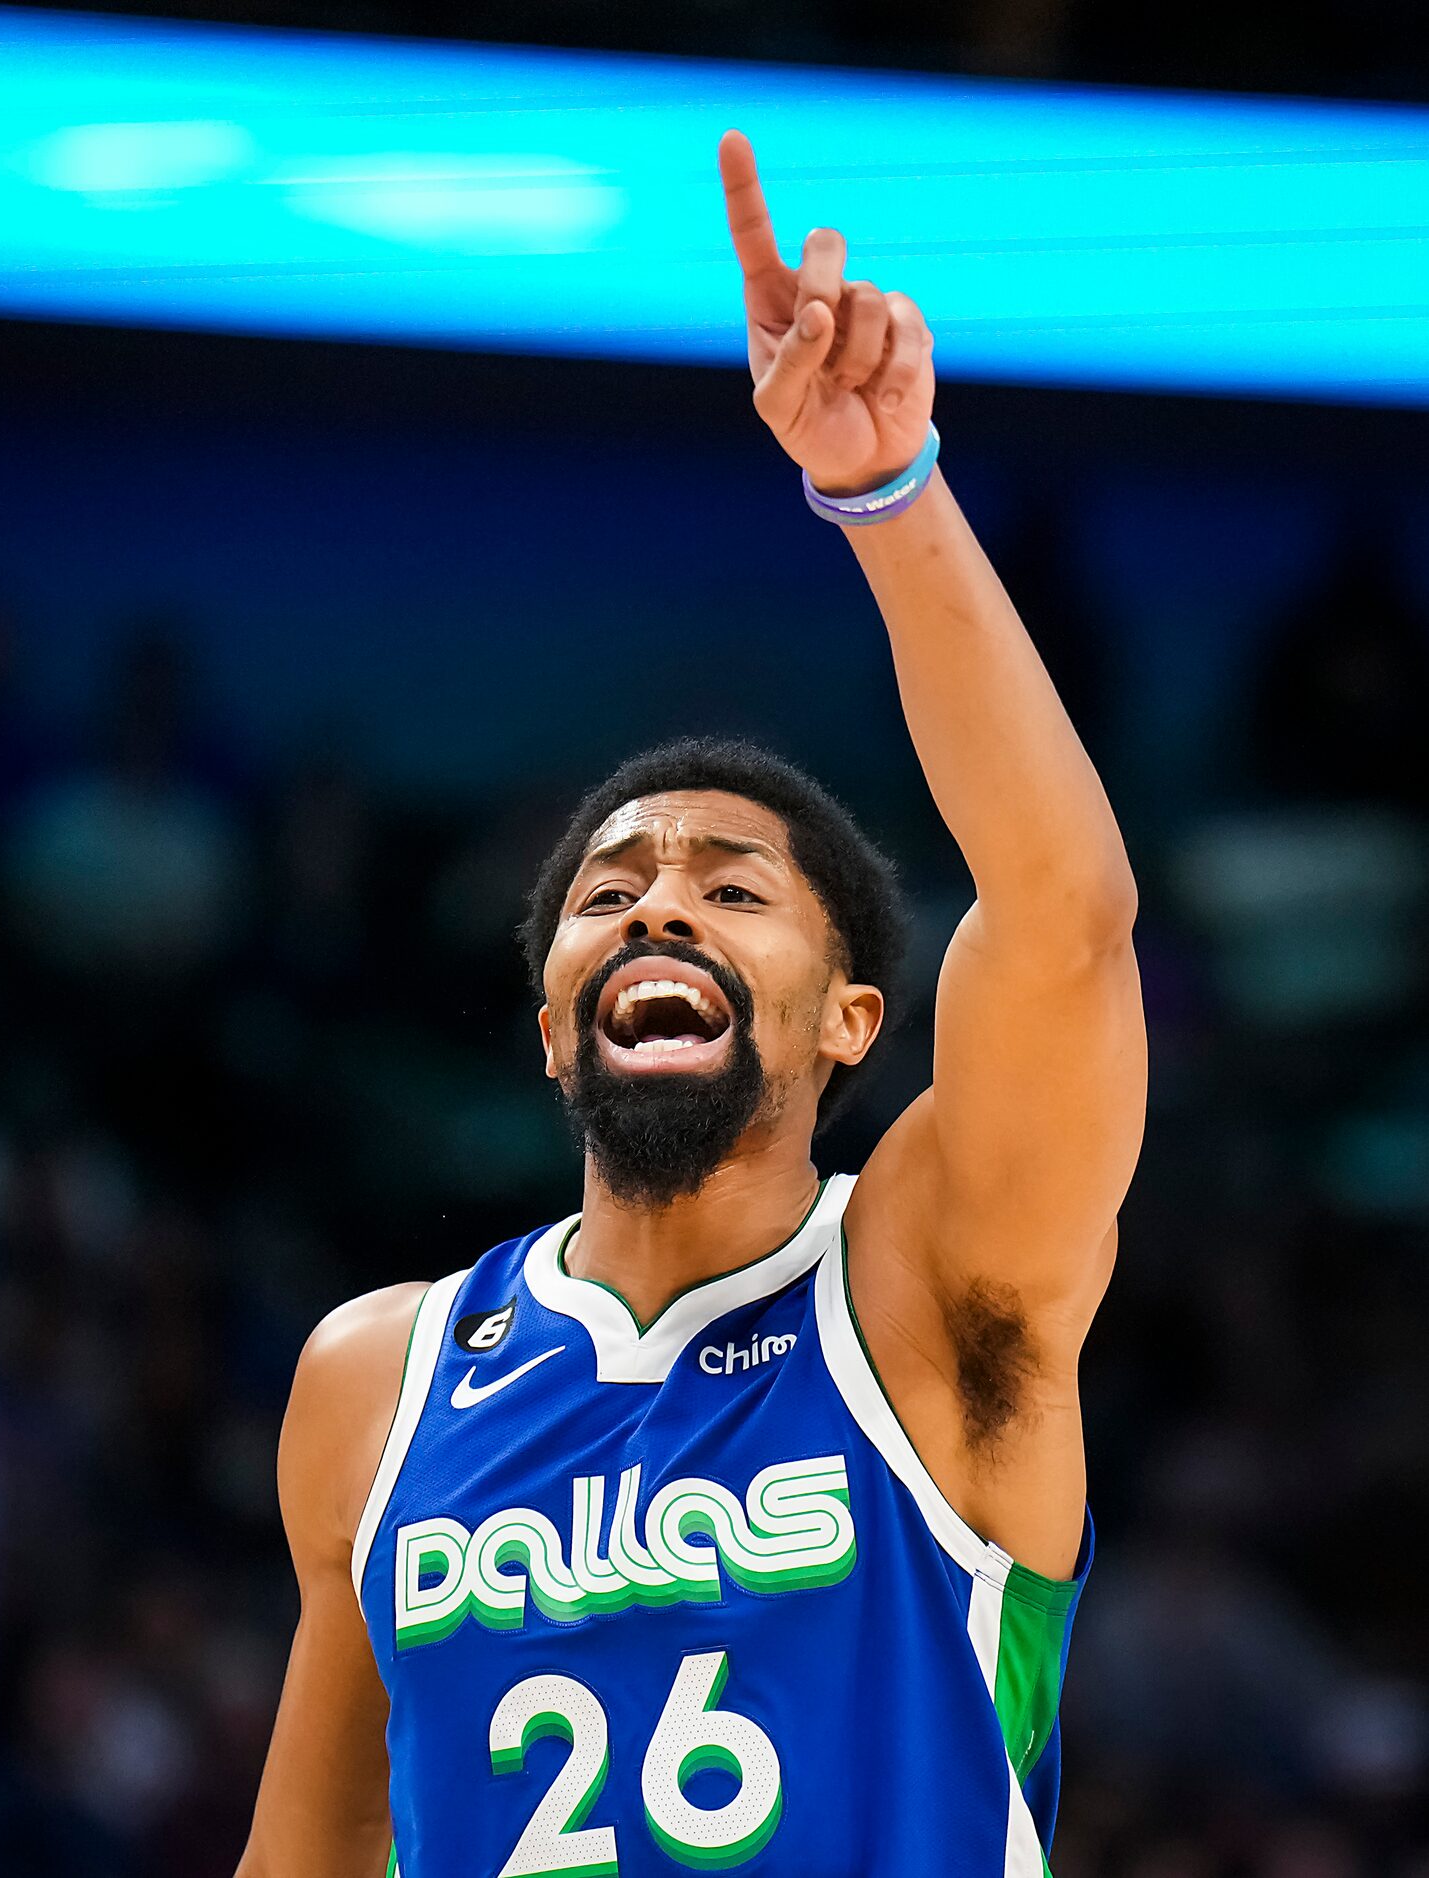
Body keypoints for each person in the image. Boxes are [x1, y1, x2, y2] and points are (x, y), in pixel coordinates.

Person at [236, 129, 1147, 1877]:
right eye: (609, 891)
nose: (658, 896)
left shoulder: (925, 1281)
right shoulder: (378, 1375)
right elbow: (310, 1850)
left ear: (850, 1023)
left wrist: (887, 496)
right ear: (553, 1016)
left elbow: (1066, 921)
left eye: (733, 889)